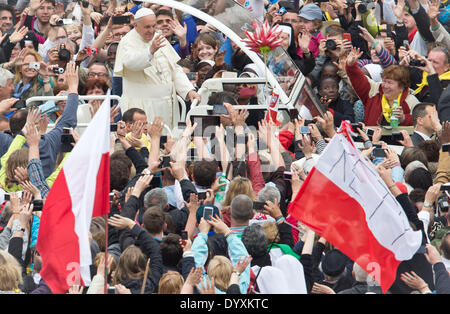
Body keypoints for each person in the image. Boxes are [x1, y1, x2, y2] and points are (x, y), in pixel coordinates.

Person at [114, 7, 200, 129]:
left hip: (167, 105)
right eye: (147, 27)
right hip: (142, 106)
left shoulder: (158, 37)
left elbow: (174, 69)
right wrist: (150, 51)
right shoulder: (127, 41)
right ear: (136, 25)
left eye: (153, 26)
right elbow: (130, 63)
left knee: (168, 141)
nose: (151, 30)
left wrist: (189, 90)